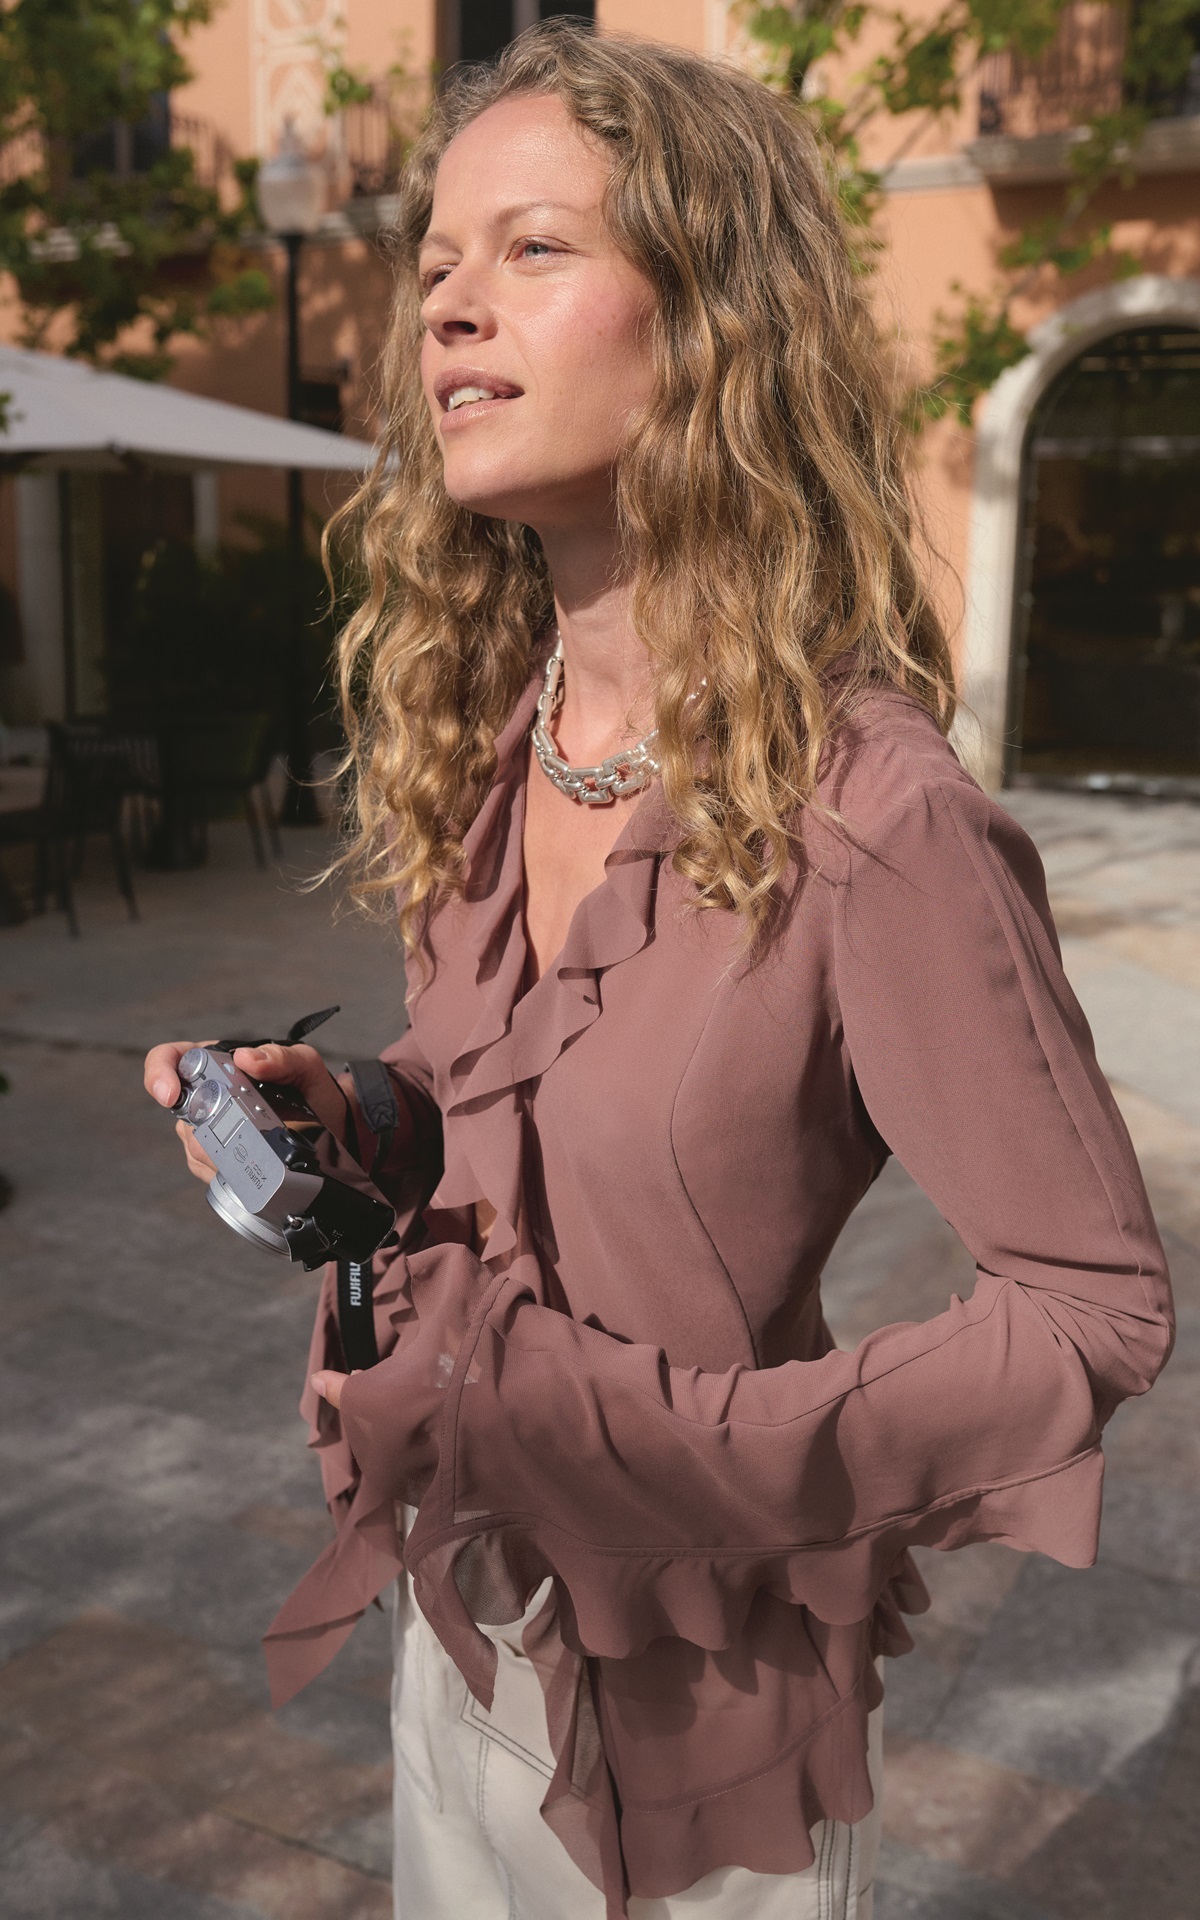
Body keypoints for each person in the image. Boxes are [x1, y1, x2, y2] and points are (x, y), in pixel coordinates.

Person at [145, 23, 1173, 1920]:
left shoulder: (872, 807)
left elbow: (1094, 1305)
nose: (449, 306)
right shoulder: (493, 737)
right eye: (436, 263)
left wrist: (703, 1450)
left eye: (533, 248)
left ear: (712, 322)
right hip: (457, 1628)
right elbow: (509, 1107)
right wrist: (358, 1115)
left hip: (703, 1742)